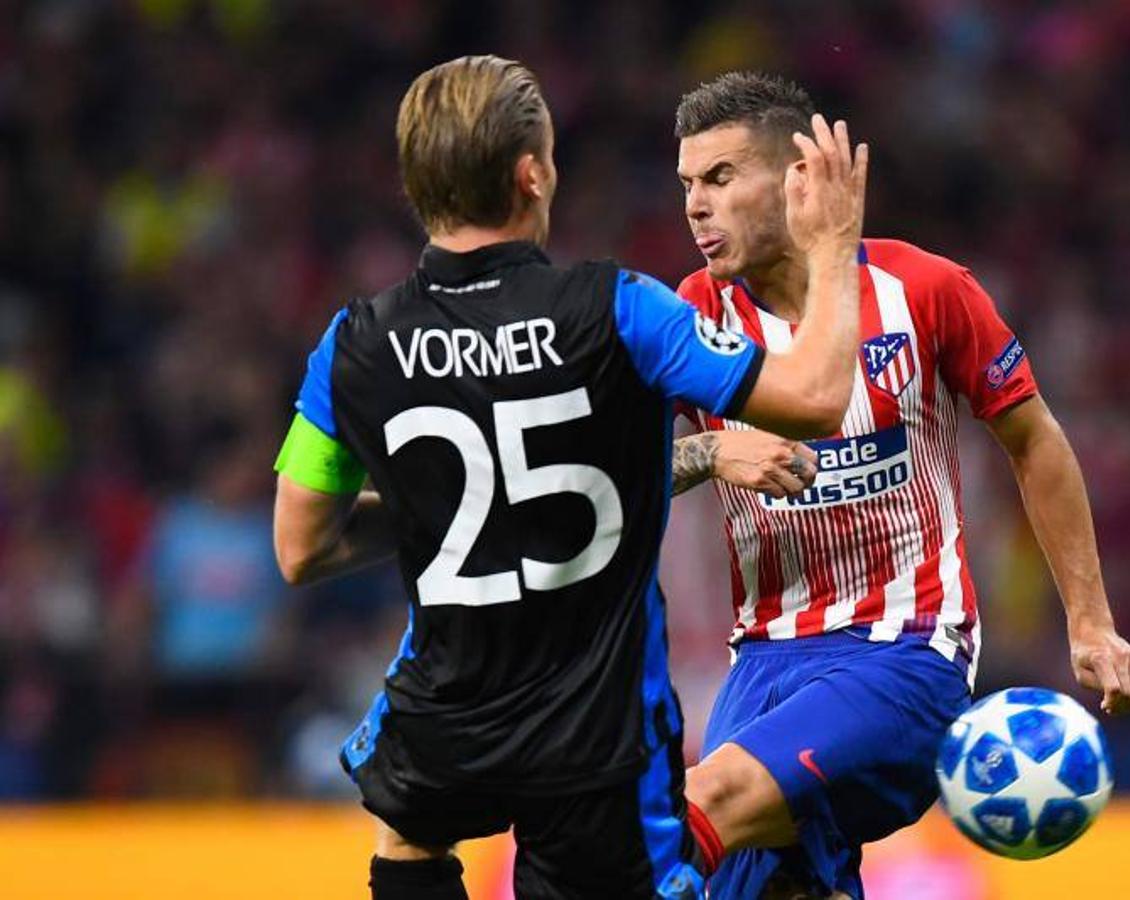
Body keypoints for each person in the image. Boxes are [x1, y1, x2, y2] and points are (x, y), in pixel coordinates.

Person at [270, 56, 869, 900]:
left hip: (445, 716)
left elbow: (300, 548)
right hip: (596, 741)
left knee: (408, 840)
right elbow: (812, 396)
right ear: (531, 174)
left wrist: (433, 513)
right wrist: (833, 244)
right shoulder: (620, 309)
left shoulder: (352, 345)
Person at [666, 72, 1130, 899]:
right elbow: (610, 476)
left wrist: (1091, 624)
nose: (694, 206)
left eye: (719, 178)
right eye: (686, 184)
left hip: (905, 651)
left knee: (688, 813)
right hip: (760, 667)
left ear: (797, 177)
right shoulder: (687, 316)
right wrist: (708, 457)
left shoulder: (922, 289)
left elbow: (1031, 438)